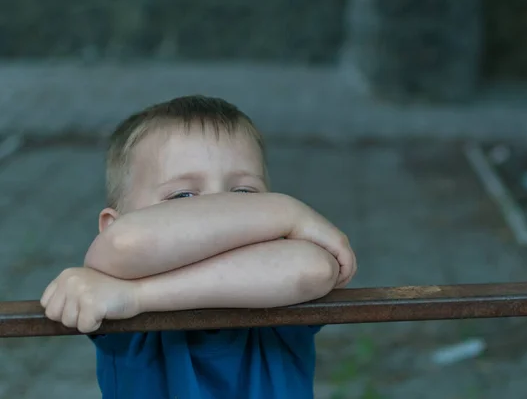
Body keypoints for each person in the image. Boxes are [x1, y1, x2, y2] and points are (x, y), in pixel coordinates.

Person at [40, 95, 357, 399]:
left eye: (244, 193)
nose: (217, 215)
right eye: (182, 197)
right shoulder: (107, 285)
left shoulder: (281, 303)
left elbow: (312, 269)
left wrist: (137, 297)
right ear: (111, 225)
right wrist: (288, 212)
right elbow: (126, 243)